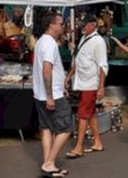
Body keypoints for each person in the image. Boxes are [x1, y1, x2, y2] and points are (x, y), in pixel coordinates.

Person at [33, 13, 73, 177]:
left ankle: (48, 164)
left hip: (41, 94)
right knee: (66, 127)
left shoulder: (41, 41)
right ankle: (49, 162)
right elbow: (47, 70)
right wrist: (50, 95)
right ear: (51, 25)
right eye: (60, 23)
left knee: (47, 128)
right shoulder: (49, 44)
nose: (62, 26)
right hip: (51, 95)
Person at [64, 14, 108, 158]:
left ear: (93, 25)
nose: (82, 27)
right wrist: (69, 76)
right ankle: (97, 142)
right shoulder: (84, 38)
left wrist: (101, 87)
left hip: (91, 84)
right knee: (90, 113)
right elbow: (78, 60)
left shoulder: (98, 41)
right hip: (82, 82)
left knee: (83, 114)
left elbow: (102, 65)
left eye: (85, 24)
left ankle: (78, 147)